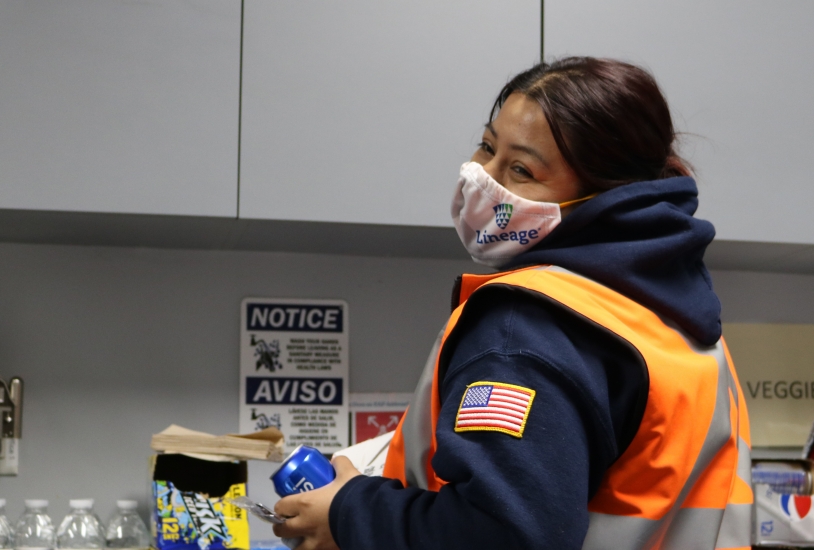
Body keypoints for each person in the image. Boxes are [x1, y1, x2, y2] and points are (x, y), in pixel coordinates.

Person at [273, 57, 752, 550]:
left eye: (521, 169)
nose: (484, 177)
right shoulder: (683, 331)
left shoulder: (526, 327)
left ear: (600, 195)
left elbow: (504, 535)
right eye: (487, 146)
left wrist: (351, 514)